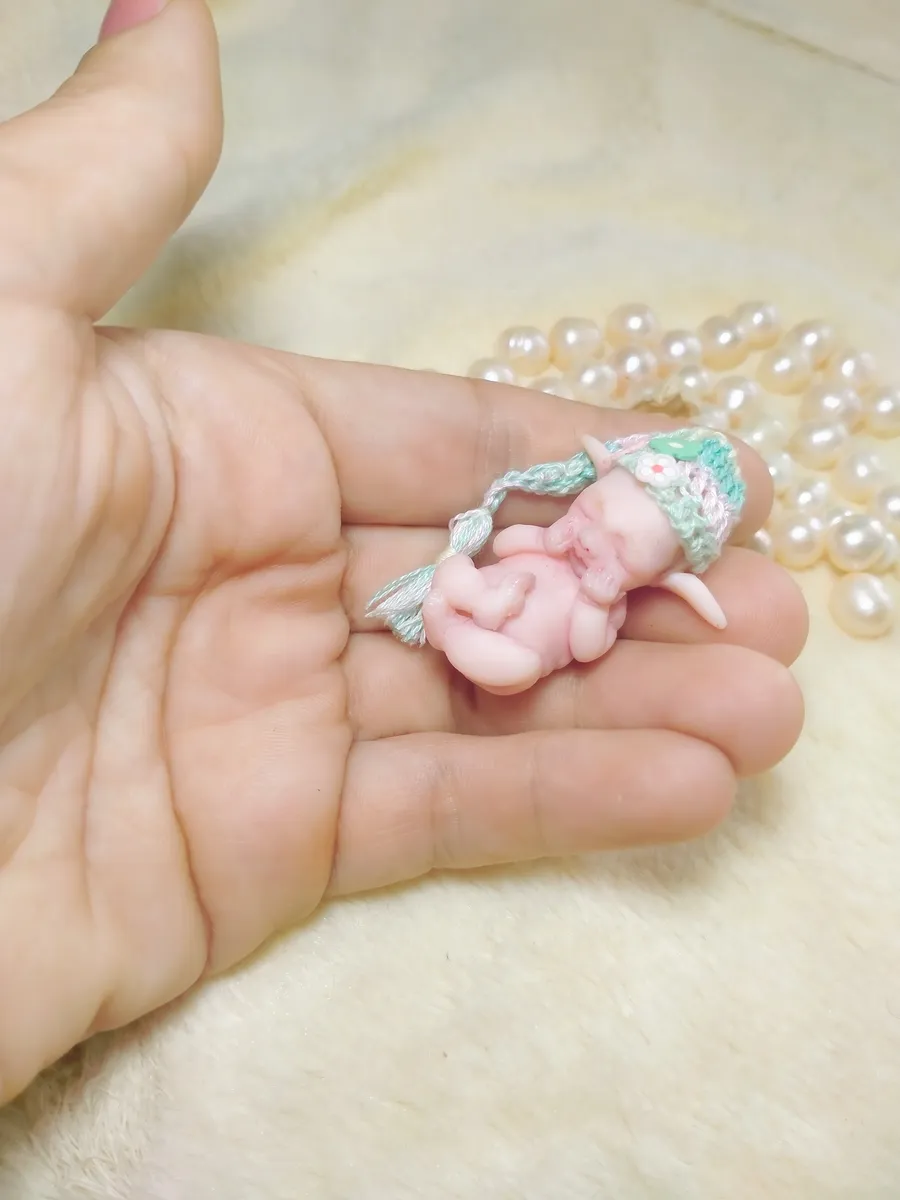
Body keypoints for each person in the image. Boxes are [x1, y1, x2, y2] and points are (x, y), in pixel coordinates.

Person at [0, 0, 807, 1106]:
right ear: (593, 484)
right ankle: (454, 611)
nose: (582, 539)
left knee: (520, 653)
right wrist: (477, 572)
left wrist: (512, 609)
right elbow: (523, 534)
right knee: (479, 602)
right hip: (471, 606)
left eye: (616, 552)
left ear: (653, 576)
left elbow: (557, 629)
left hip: (500, 640)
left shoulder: (592, 612)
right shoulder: (540, 532)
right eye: (594, 511)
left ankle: (460, 617)